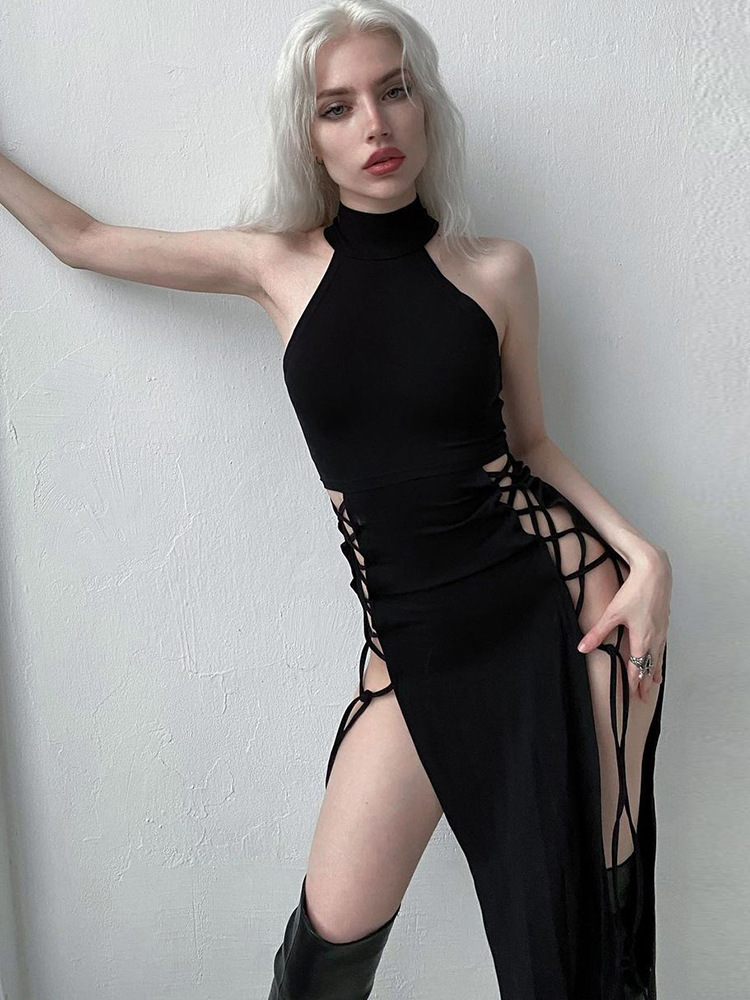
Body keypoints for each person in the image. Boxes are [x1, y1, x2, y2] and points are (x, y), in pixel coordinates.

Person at [0, 1, 672, 997]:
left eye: (394, 91)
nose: (375, 125)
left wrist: (647, 558)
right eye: (337, 106)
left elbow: (530, 445)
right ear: (308, 136)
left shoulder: (497, 271)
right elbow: (81, 238)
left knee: (584, 943)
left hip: (557, 610)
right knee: (320, 964)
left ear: (424, 103)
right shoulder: (275, 266)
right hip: (410, 644)